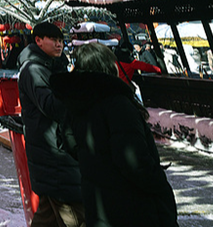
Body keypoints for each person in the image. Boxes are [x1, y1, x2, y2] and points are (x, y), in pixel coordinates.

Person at [53, 43, 177, 227]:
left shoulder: (75, 104)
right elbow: (134, 161)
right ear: (108, 66)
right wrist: (159, 185)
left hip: (98, 202)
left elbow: (68, 143)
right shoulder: (117, 104)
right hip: (132, 206)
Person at [19, 22, 84, 227]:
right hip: (52, 152)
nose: (59, 45)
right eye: (54, 40)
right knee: (75, 217)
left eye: (61, 40)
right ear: (38, 40)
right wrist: (75, 89)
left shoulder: (52, 66)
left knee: (47, 217)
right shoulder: (34, 70)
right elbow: (50, 105)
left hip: (52, 151)